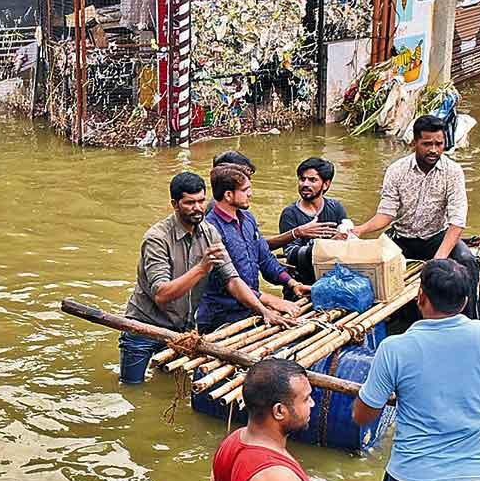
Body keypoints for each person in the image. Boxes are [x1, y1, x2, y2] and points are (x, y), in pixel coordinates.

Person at [352, 259, 480, 481]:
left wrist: (388, 392)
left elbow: (363, 416)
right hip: (474, 480)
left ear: (420, 296)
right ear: (465, 301)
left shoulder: (395, 349)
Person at [120, 172, 286, 384]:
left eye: (201, 200)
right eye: (189, 203)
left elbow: (232, 280)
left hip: (183, 329)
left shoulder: (209, 233)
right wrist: (201, 268)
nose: (198, 208)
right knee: (132, 388)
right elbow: (161, 294)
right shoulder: (157, 238)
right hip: (144, 327)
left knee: (172, 390)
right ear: (175, 204)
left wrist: (263, 310)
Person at [350, 116, 480, 308]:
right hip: (402, 237)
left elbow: (457, 222)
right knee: (373, 266)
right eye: (427, 144)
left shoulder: (453, 172)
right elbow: (386, 213)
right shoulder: (397, 170)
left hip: (437, 236)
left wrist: (439, 258)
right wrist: (361, 229)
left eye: (439, 144)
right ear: (414, 143)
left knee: (467, 260)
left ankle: (471, 313)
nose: (434, 150)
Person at [211, 358, 326, 481]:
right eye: (306, 399)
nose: (312, 404)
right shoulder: (276, 480)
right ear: (279, 411)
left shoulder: (232, 442)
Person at [196, 164, 308, 335]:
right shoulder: (210, 229)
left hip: (250, 309)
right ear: (228, 195)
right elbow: (228, 282)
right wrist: (271, 301)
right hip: (221, 317)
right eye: (245, 189)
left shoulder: (248, 219)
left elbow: (265, 259)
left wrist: (292, 283)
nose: (250, 193)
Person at [273, 157, 351, 284]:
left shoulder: (336, 207)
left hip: (333, 280)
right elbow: (291, 255)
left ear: (326, 184)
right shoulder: (290, 213)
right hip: (302, 284)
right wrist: (327, 245)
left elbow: (347, 244)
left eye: (312, 180)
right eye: (302, 179)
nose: (305, 184)